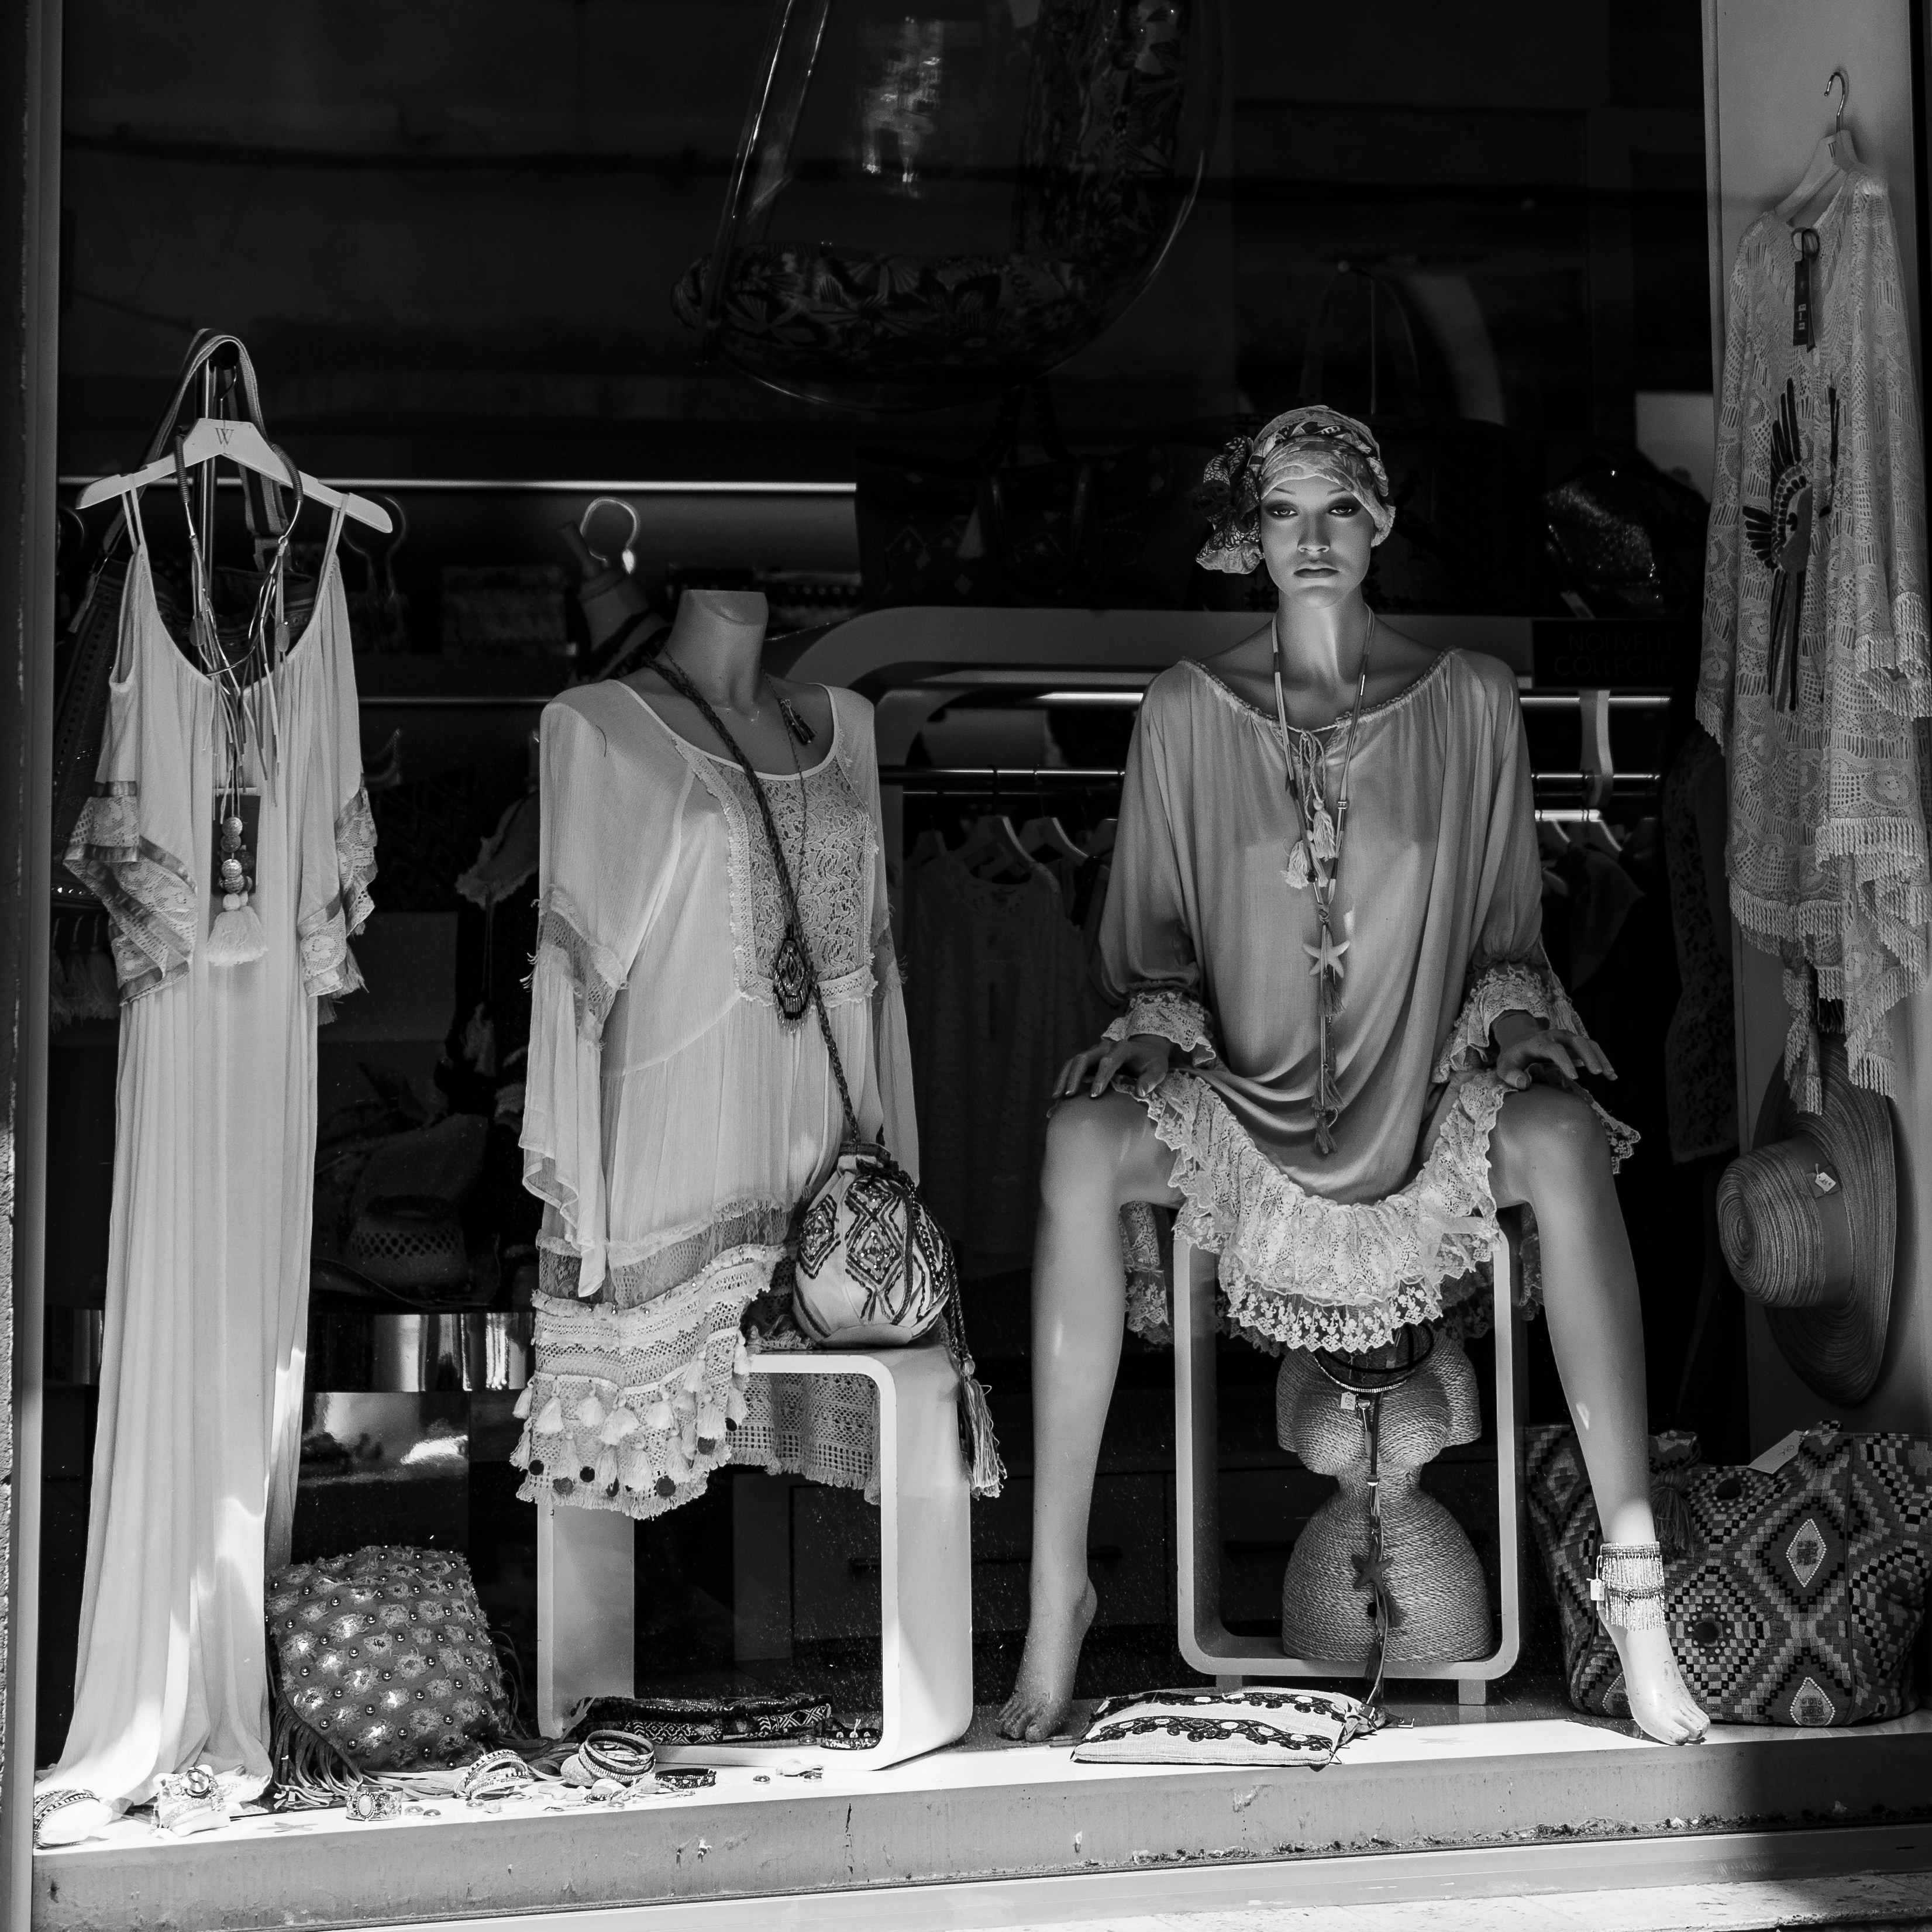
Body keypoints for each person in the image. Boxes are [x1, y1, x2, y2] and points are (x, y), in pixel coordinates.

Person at [996, 407, 1709, 1748]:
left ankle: (1635, 1595)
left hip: (1413, 1110)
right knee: (1079, 1141)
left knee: (1561, 1132)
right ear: (1247, 536)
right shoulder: (1182, 711)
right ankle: (1055, 1596)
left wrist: (1511, 1027)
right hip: (1250, 1107)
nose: (1310, 538)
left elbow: (1505, 932)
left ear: (1380, 521)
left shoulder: (1470, 701)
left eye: (1337, 507)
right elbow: (1149, 946)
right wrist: (1153, 1030)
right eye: (1281, 511)